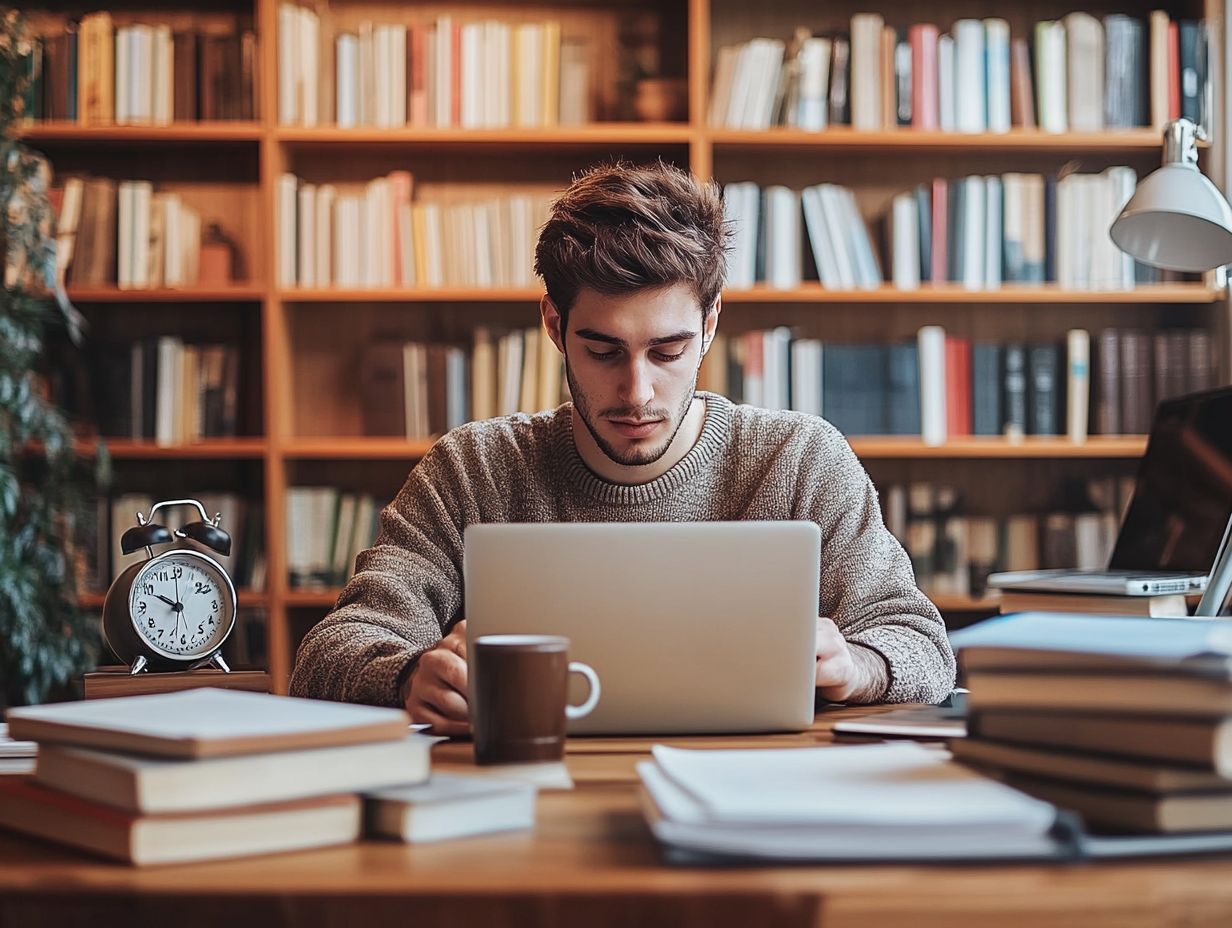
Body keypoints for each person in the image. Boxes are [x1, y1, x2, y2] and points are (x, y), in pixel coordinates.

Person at [289, 161, 956, 732]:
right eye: (603, 351)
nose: (636, 391)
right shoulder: (474, 469)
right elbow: (329, 652)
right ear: (555, 325)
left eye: (668, 351)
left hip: (755, 793)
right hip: (527, 799)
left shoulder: (799, 458)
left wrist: (858, 666)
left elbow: (921, 643)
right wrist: (408, 676)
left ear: (711, 322)